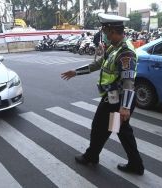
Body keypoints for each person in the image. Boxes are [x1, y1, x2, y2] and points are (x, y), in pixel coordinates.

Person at [61, 13, 145, 176]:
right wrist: (76, 72)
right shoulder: (115, 47)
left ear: (113, 31)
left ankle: (93, 157)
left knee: (105, 128)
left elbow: (129, 82)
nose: (104, 36)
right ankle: (130, 163)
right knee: (112, 129)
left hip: (118, 101)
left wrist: (125, 107)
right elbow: (98, 64)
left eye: (105, 32)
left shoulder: (126, 52)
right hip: (112, 98)